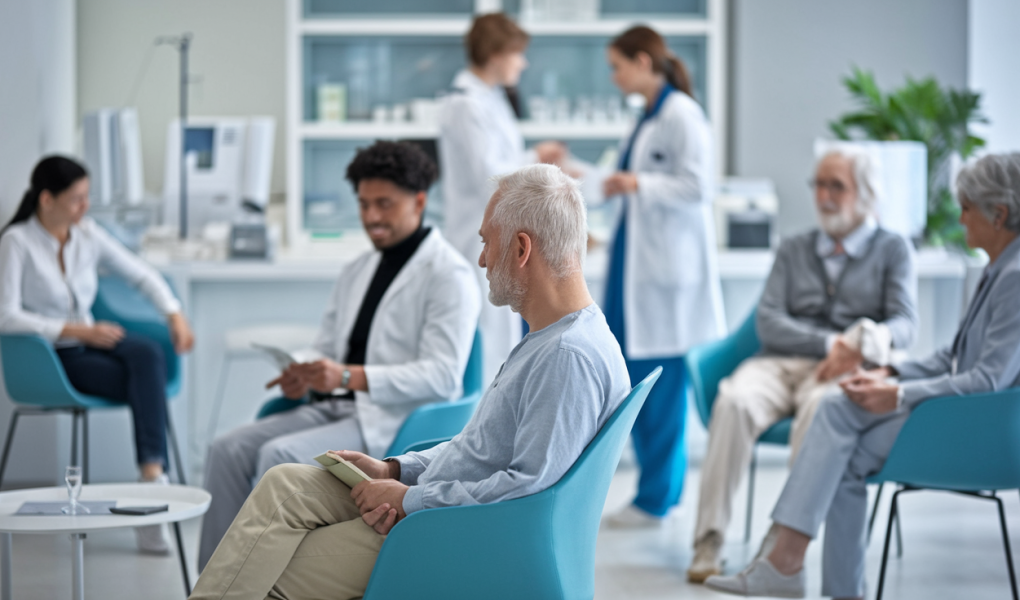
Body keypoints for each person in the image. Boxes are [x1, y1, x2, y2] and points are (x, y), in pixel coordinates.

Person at [187, 164, 630, 600]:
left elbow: (524, 490)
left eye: (486, 243)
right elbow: (481, 447)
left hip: (447, 531)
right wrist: (396, 470)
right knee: (285, 482)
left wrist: (410, 501)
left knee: (264, 569)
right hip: (430, 497)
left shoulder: (565, 357)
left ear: (520, 248)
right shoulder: (552, 338)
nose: (481, 259)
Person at [705, 152, 1020, 599]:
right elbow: (953, 356)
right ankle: (815, 580)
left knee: (834, 417)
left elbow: (986, 380)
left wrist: (897, 393)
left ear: (1000, 214)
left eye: (967, 207)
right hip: (962, 413)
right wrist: (889, 372)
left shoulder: (1015, 276)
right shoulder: (997, 268)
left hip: (982, 429)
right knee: (842, 438)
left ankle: (785, 563)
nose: (961, 218)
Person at [198, 141, 480, 570]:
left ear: (419, 201)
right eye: (364, 204)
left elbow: (442, 376)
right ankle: (216, 585)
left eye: (384, 204)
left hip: (391, 419)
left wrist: (347, 377)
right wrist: (306, 371)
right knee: (226, 449)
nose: (371, 217)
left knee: (278, 456)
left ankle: (264, 586)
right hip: (332, 408)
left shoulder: (449, 276)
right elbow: (327, 347)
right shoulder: (358, 270)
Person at [686, 147, 919, 582]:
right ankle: (708, 541)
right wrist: (833, 341)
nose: (824, 196)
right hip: (778, 364)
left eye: (837, 186)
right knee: (733, 401)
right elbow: (768, 321)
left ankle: (779, 551)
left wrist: (860, 343)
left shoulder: (893, 249)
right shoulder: (794, 248)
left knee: (822, 414)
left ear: (866, 193)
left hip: (842, 374)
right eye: (819, 184)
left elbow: (905, 325)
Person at [0, 155, 195, 554]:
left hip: (93, 342)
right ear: (47, 199)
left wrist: (174, 313)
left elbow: (140, 272)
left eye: (87, 197)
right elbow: (5, 315)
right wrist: (78, 331)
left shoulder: (87, 234)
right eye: (77, 199)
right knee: (146, 379)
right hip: (53, 356)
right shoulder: (16, 242)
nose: (85, 207)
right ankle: (151, 498)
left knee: (149, 353)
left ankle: (150, 478)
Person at [571, 25, 726, 527]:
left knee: (658, 389)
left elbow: (700, 186)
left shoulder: (682, 115)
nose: (614, 77)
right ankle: (655, 492)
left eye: (617, 66)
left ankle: (657, 497)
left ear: (643, 61)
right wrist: (573, 168)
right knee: (630, 380)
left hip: (664, 277)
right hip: (632, 265)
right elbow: (621, 183)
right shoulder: (646, 119)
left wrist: (639, 182)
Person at [438, 12, 567, 385]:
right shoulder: (465, 103)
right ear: (495, 53)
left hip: (503, 236)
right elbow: (489, 178)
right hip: (476, 239)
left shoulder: (490, 98)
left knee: (502, 342)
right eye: (516, 54)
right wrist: (536, 161)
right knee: (488, 343)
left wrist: (532, 156)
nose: (522, 63)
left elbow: (499, 163)